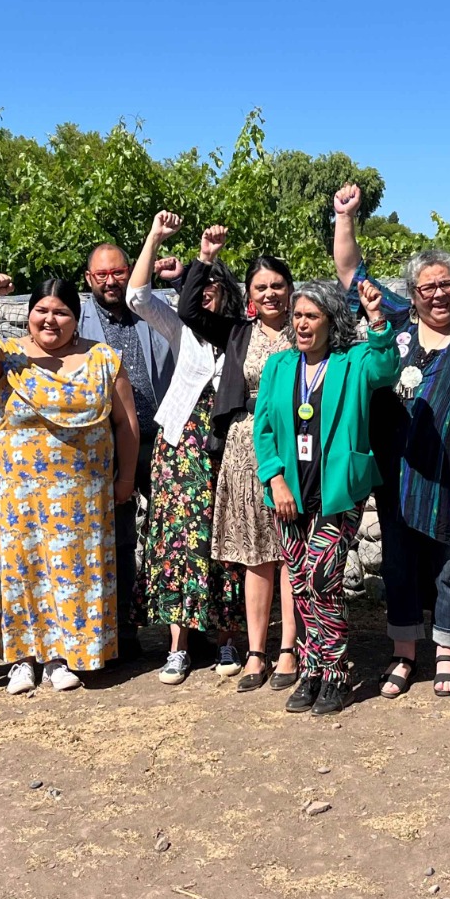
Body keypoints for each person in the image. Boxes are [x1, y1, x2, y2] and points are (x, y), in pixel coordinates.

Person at [331, 185, 450, 698]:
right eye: (427, 287)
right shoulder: (395, 322)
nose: (438, 294)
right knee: (398, 561)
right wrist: (345, 216)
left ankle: (448, 651)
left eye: (446, 285)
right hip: (399, 471)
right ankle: (403, 653)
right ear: (412, 294)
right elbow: (351, 273)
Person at [0, 274, 139, 694]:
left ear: (76, 319)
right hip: (23, 497)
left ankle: (63, 657)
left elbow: (126, 423)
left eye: (61, 312)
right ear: (29, 315)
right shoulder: (7, 356)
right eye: (41, 310)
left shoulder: (103, 359)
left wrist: (126, 478)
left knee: (74, 575)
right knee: (25, 574)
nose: (50, 319)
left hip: (84, 499)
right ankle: (24, 658)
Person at [253, 278, 399, 715]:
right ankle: (312, 669)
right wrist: (274, 479)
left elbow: (387, 367)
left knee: (321, 579)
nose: (301, 323)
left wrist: (377, 319)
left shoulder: (352, 362)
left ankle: (335, 672)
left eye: (311, 316)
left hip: (337, 492)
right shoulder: (279, 366)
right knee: (300, 584)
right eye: (297, 315)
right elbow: (264, 429)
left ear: (331, 322)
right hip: (289, 494)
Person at [125, 210, 248, 684]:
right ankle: (177, 647)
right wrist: (154, 237)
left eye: (215, 284)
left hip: (230, 441)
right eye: (202, 284)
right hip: (181, 442)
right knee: (179, 541)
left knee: (227, 539)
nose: (207, 291)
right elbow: (137, 296)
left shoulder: (243, 333)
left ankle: (228, 638)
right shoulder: (183, 329)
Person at [178, 228, 299, 693]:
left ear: (290, 289)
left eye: (277, 285)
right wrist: (205, 258)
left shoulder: (307, 328)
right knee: (255, 556)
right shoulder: (236, 332)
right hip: (245, 447)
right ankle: (256, 652)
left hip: (294, 447)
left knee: (290, 552)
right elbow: (189, 311)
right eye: (260, 287)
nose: (270, 294)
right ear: (249, 295)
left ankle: (289, 648)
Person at [79, 242, 175, 660]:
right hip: (107, 444)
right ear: (89, 279)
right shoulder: (76, 321)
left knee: (176, 535)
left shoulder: (150, 310)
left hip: (163, 438)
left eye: (118, 272)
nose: (111, 281)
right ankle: (122, 631)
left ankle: (185, 630)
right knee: (117, 538)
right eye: (102, 275)